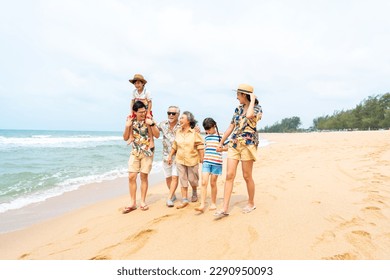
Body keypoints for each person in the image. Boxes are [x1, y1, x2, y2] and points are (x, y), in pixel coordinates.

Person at [214, 84, 262, 218]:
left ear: (244, 95)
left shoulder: (257, 109)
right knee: (229, 175)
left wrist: (252, 100)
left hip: (248, 144)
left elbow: (249, 115)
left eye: (238, 95)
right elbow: (231, 126)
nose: (236, 97)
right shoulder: (237, 109)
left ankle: (251, 202)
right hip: (234, 143)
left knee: (247, 176)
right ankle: (224, 208)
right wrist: (221, 142)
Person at [122, 101, 160, 214]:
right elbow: (125, 138)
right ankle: (133, 202)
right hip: (135, 151)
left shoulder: (149, 119)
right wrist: (127, 126)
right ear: (135, 112)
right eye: (141, 112)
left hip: (147, 152)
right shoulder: (130, 121)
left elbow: (157, 135)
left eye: (144, 111)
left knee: (144, 176)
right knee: (131, 176)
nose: (143, 114)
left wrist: (152, 124)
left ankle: (142, 201)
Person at [167, 111, 204, 209]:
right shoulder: (178, 131)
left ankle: (195, 191)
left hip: (192, 159)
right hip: (180, 159)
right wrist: (170, 155)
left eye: (182, 118)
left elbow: (200, 145)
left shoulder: (194, 132)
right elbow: (175, 145)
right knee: (183, 179)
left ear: (188, 120)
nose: (180, 120)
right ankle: (184, 199)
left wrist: (202, 157)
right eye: (180, 118)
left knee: (193, 180)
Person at [195, 118, 229, 213]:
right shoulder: (206, 136)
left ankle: (213, 203)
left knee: (213, 183)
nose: (208, 131)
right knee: (203, 182)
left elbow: (228, 147)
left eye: (209, 129)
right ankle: (202, 204)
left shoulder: (221, 136)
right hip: (206, 162)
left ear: (214, 126)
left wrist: (221, 149)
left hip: (216, 163)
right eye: (206, 130)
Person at [157, 106, 181, 207]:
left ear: (178, 115)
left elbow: (192, 127)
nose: (171, 115)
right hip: (166, 156)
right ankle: (173, 194)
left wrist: (197, 128)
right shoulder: (163, 124)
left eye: (173, 113)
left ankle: (169, 198)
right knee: (168, 177)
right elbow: (153, 126)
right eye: (169, 113)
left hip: (178, 155)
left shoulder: (182, 125)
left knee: (175, 176)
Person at [128, 74, 154, 150]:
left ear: (143, 83)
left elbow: (150, 102)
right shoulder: (134, 92)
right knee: (130, 119)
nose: (137, 85)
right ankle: (131, 136)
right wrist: (131, 112)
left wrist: (148, 112)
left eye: (139, 83)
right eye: (135, 83)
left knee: (148, 121)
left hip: (145, 110)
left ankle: (151, 140)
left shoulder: (147, 92)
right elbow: (132, 102)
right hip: (136, 110)